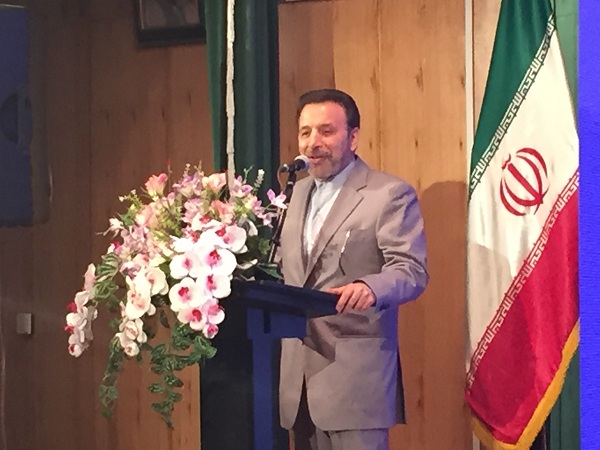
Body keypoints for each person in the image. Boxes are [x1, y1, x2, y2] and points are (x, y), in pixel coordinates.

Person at [277, 88, 429, 450]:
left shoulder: (388, 194)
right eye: (305, 132)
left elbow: (411, 269)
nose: (313, 143)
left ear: (354, 137)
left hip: (355, 383)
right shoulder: (293, 195)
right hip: (297, 385)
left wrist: (370, 287)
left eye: (326, 131)